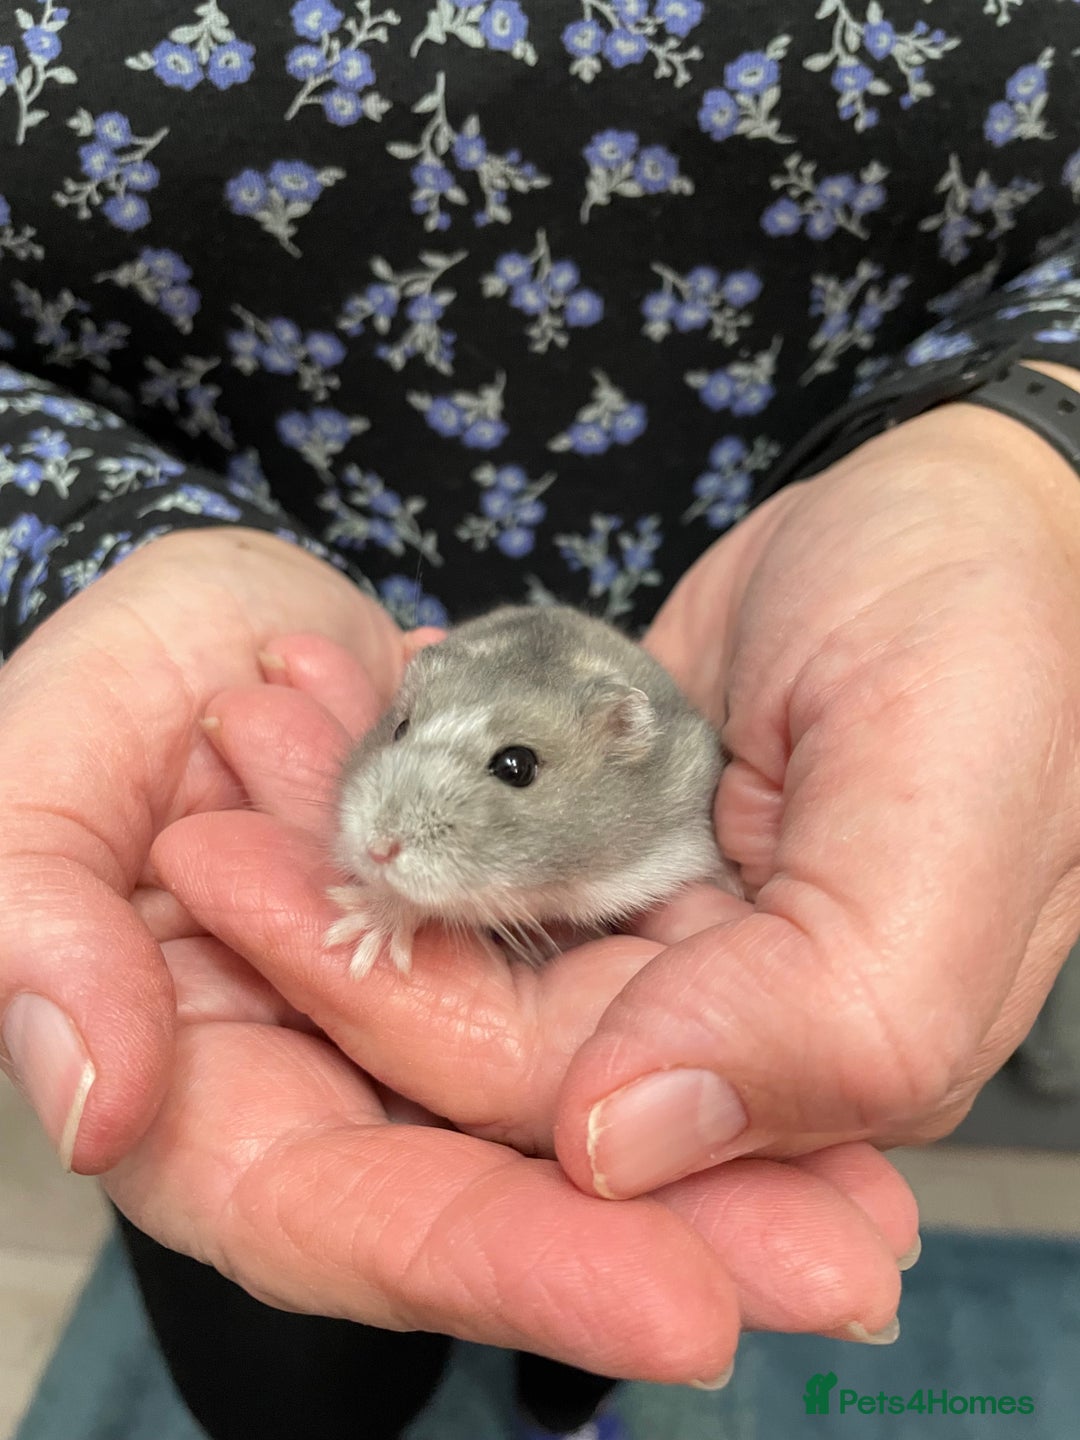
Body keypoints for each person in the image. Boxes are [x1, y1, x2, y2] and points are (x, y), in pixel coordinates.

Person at [1, 2, 1078, 1436]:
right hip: (272, 576)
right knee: (289, 1353)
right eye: (394, 749)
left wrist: (1029, 446)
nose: (388, 825)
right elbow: (392, 823)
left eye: (506, 778)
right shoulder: (414, 747)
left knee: (609, 1247)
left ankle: (564, 1404)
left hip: (756, 582)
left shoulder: (655, 789)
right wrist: (97, 539)